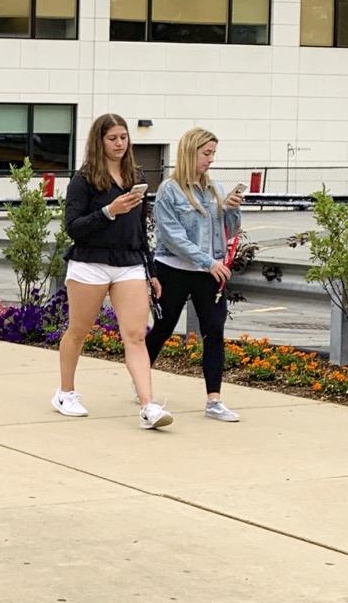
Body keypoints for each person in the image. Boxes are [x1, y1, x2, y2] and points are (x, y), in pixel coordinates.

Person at [52, 113, 172, 430]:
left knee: (135, 335)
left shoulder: (135, 177)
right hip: (89, 263)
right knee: (78, 331)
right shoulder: (83, 180)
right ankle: (65, 393)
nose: (120, 143)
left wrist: (152, 270)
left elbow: (141, 230)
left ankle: (148, 406)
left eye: (123, 137)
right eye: (112, 138)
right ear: (99, 141)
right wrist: (108, 211)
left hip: (130, 263)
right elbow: (73, 228)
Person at [145, 128, 245, 423]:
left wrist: (231, 210)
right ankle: (142, 381)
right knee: (163, 328)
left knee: (214, 331)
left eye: (213, 153)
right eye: (206, 153)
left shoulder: (215, 189)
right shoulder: (169, 190)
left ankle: (214, 399)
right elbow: (172, 236)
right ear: (190, 153)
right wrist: (206, 261)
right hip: (173, 268)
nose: (211, 160)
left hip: (208, 272)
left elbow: (229, 231)